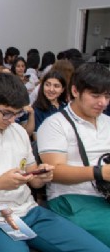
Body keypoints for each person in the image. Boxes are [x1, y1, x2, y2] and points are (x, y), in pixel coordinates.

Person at [0, 73, 109, 252]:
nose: (12, 120)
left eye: (17, 113)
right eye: (7, 113)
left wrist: (42, 175)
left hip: (28, 211)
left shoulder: (18, 132)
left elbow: (33, 179)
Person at [38, 62, 110, 247]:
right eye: (95, 95)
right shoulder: (55, 124)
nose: (102, 102)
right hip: (72, 199)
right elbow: (55, 172)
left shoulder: (107, 122)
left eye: (107, 96)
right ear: (75, 91)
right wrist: (99, 172)